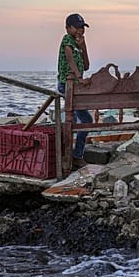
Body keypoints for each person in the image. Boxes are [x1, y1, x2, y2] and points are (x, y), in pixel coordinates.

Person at [57, 13, 93, 169]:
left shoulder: (78, 43)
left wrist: (83, 46)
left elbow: (86, 66)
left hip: (76, 87)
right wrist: (80, 78)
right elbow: (71, 61)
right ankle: (76, 156)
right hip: (67, 85)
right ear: (68, 28)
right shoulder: (67, 40)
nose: (80, 30)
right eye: (77, 27)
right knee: (86, 120)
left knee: (83, 120)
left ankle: (75, 155)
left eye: (82, 27)